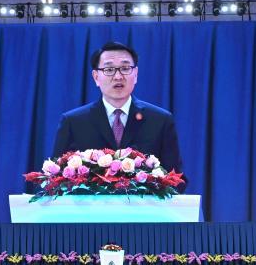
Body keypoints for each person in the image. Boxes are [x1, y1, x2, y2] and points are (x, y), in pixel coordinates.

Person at [51, 41, 184, 181]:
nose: (118, 76)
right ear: (96, 77)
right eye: (109, 70)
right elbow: (56, 179)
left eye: (125, 68)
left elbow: (175, 178)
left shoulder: (160, 120)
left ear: (136, 74)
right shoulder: (73, 122)